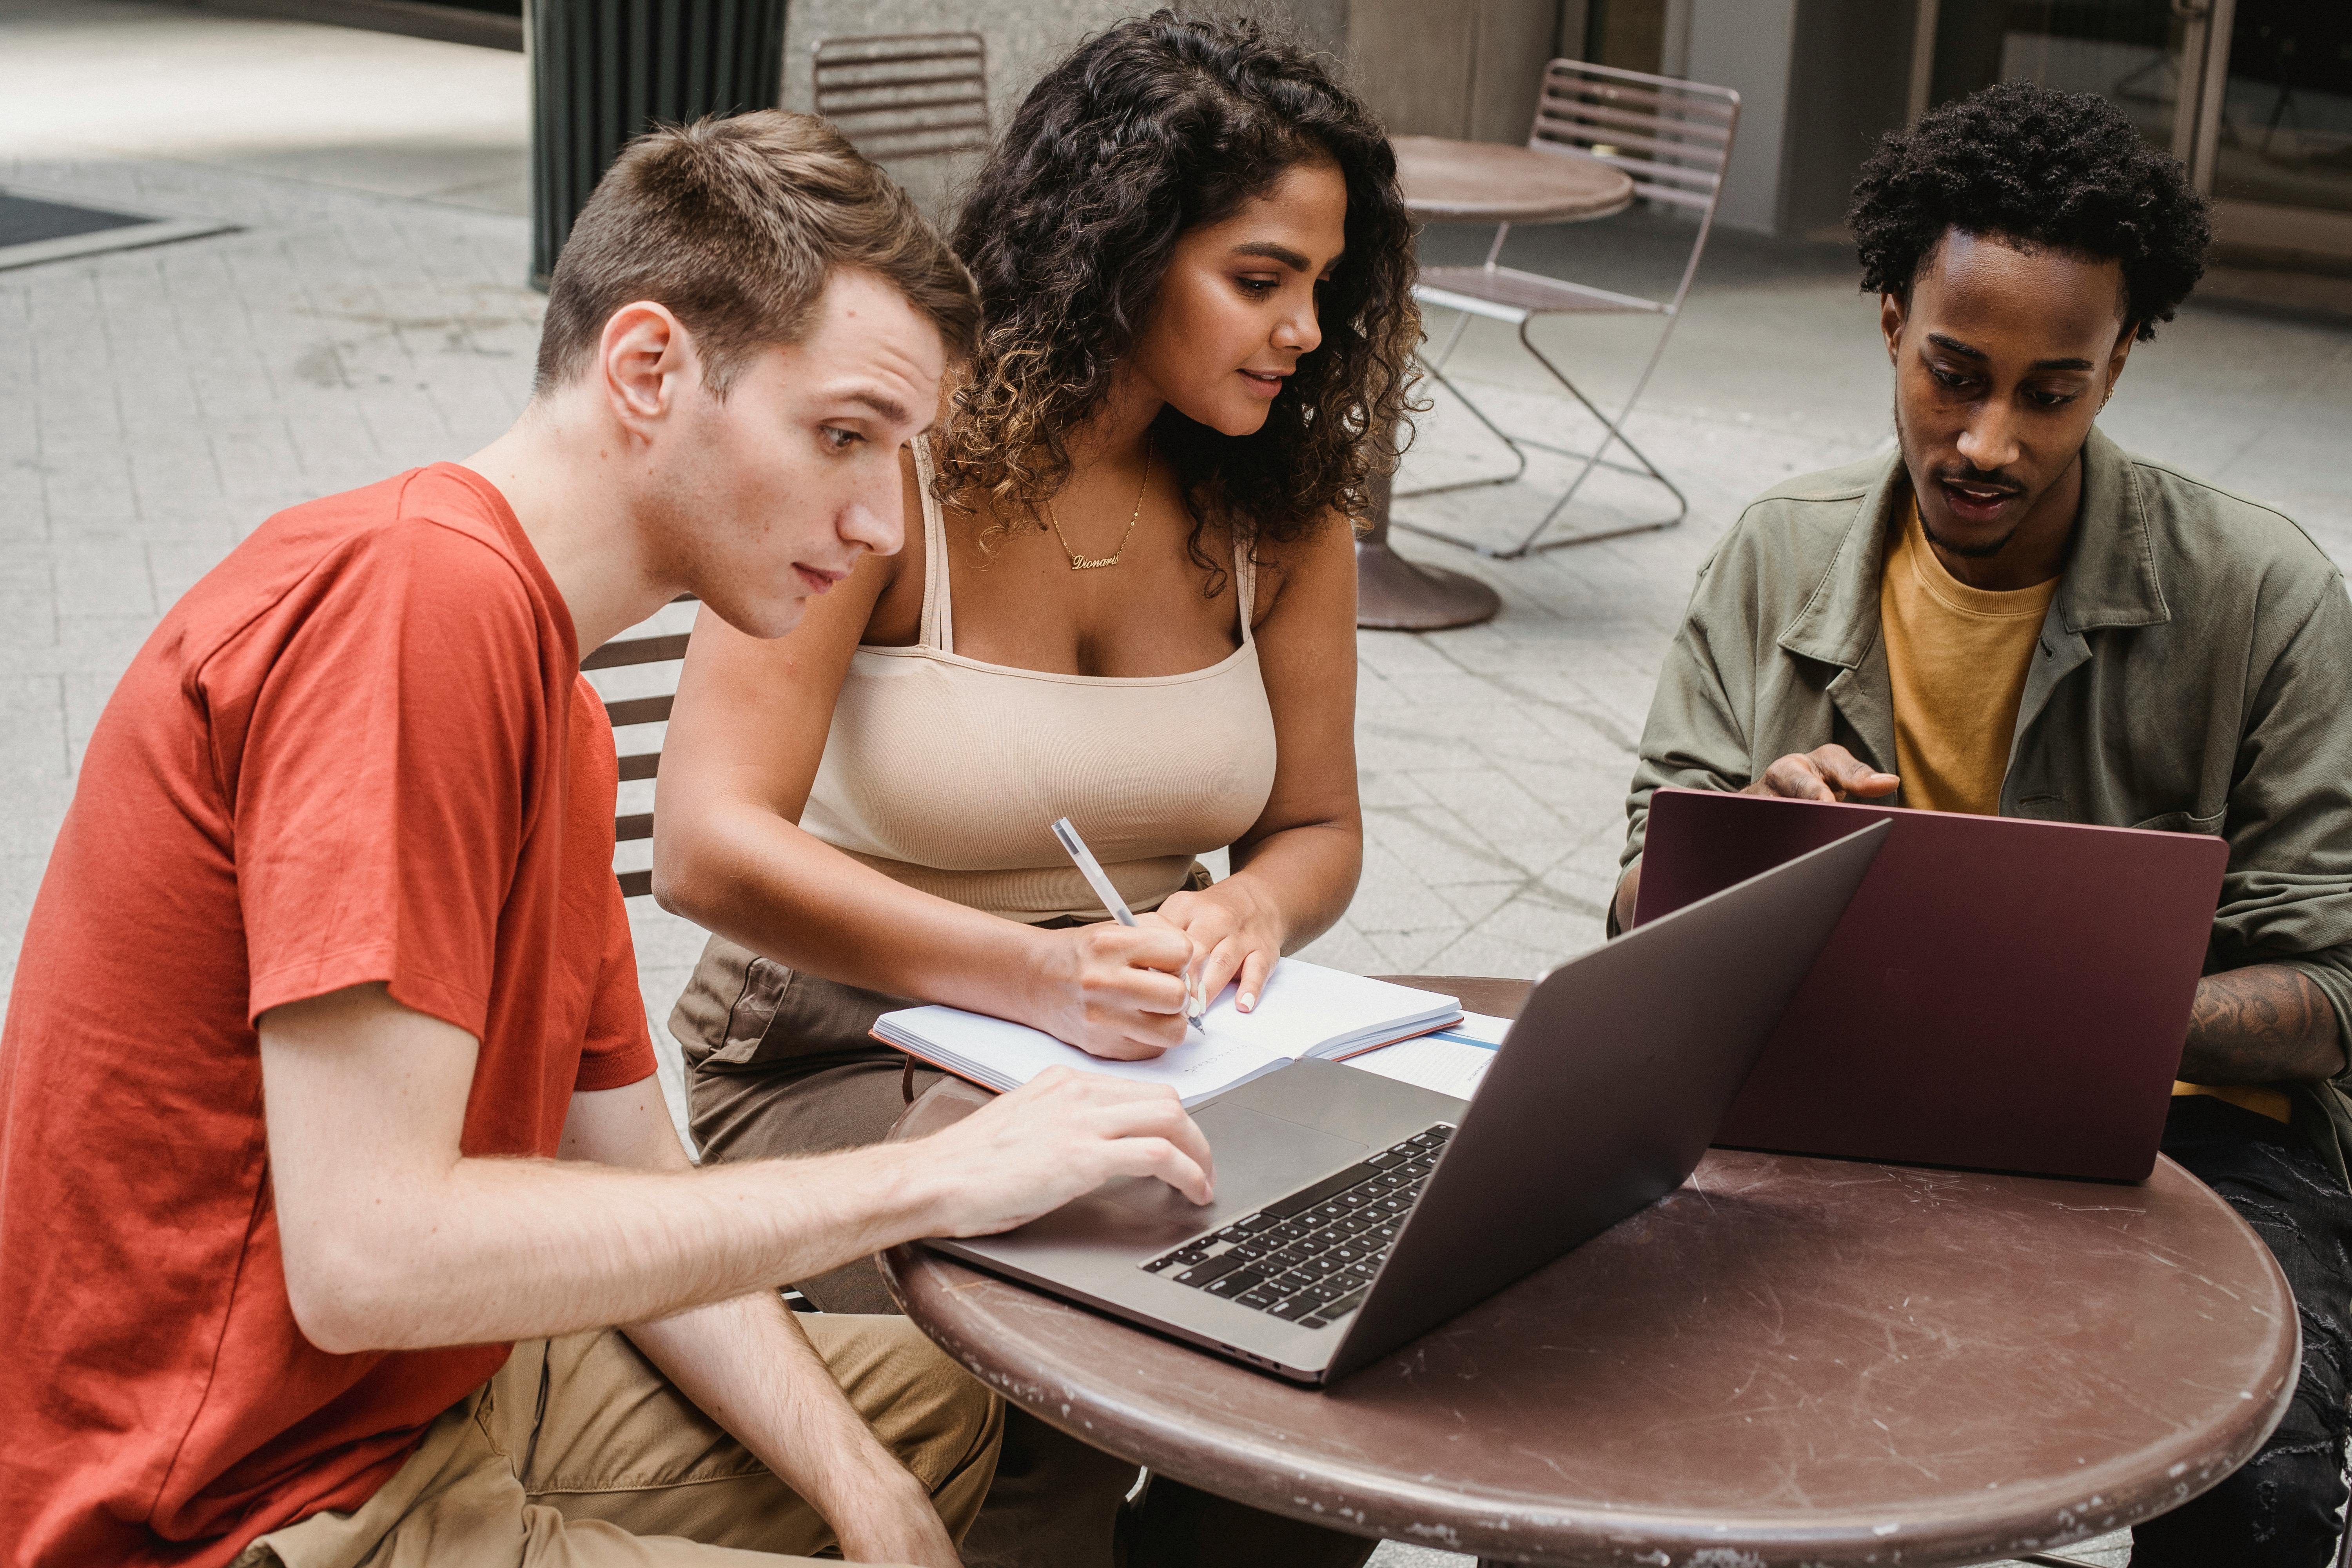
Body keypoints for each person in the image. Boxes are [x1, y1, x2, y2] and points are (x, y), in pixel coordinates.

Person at [0, 112, 1226, 1568]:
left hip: (433, 1394)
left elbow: (629, 1165)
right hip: (231, 1503)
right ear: (648, 370)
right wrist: (933, 1176)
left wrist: (867, 1494)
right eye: (843, 435)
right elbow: (369, 1257)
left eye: (899, 456)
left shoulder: (550, 696)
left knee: (936, 1423)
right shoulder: (415, 612)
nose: (884, 523)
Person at [652, 15, 1414, 1566]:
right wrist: (1035, 976)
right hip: (833, 1044)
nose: (1307, 333)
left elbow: (1319, 826)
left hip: (1143, 1049)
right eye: (1260, 279)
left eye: (1326, 288)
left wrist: (1249, 903)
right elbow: (704, 841)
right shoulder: (901, 460)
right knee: (1059, 1371)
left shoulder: (1280, 506)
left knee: (1339, 1370)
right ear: (1123, 252)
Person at [1612, 82, 2352, 1566]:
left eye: (2051, 391)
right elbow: (1634, 916)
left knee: (2265, 1490)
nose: (1989, 442)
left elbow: (2330, 991)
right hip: (1843, 1111)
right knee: (1595, 1397)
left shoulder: (2265, 597)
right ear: (1889, 317)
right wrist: (1743, 837)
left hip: (2188, 1136)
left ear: (2122, 360)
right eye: (1953, 374)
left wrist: (2057, 1023)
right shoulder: (1777, 555)